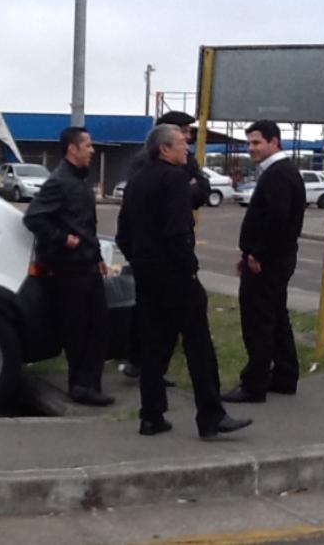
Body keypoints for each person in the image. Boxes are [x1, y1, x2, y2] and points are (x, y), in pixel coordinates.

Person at [116, 123, 251, 439]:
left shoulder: (135, 182)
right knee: (199, 345)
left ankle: (151, 416)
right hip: (176, 276)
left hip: (146, 276)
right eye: (180, 143)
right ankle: (211, 416)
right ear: (164, 149)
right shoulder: (174, 179)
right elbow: (176, 232)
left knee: (153, 346)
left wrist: (139, 261)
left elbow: (123, 233)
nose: (186, 149)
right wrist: (189, 267)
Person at [24, 127, 114, 407]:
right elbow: (34, 217)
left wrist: (97, 255)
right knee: (78, 328)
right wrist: (64, 239)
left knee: (98, 325)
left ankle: (91, 383)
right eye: (87, 145)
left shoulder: (80, 180)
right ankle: (81, 386)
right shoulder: (59, 181)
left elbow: (86, 224)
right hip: (70, 268)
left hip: (88, 264)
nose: (92, 149)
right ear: (72, 149)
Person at [120, 111, 209, 383]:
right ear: (165, 144)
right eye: (184, 133)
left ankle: (153, 396)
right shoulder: (149, 167)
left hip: (154, 258)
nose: (188, 138)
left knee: (159, 324)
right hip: (166, 261)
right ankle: (208, 408)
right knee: (189, 330)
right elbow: (163, 222)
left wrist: (186, 191)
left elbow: (202, 188)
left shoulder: (181, 161)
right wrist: (189, 267)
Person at [222, 120, 306, 403]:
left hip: (269, 261)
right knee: (276, 317)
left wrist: (257, 253)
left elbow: (278, 219)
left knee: (257, 321)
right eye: (249, 143)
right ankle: (284, 375)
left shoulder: (278, 174)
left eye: (256, 142)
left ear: (274, 142)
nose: (251, 148)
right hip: (275, 259)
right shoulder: (280, 172)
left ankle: (254, 384)